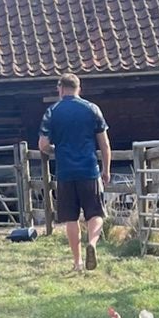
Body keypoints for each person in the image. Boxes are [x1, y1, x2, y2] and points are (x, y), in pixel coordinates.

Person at [38, 73, 111, 272]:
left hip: (65, 173)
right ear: (79, 88)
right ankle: (93, 244)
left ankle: (77, 262)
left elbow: (43, 145)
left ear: (60, 88)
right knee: (95, 213)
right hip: (89, 170)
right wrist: (106, 169)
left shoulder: (52, 112)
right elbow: (104, 144)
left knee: (71, 218)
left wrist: (57, 149)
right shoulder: (92, 109)